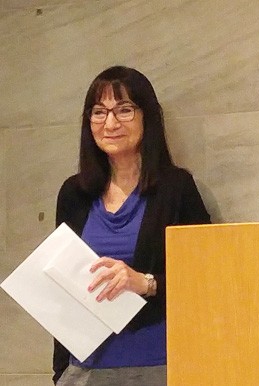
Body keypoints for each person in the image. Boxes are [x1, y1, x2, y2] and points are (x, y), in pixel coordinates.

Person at [53, 66, 211, 385]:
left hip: (159, 366)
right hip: (84, 370)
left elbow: (206, 278)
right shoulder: (74, 193)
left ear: (146, 117)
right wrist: (60, 373)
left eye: (124, 110)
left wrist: (145, 283)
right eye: (99, 112)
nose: (110, 123)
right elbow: (61, 289)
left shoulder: (176, 188)